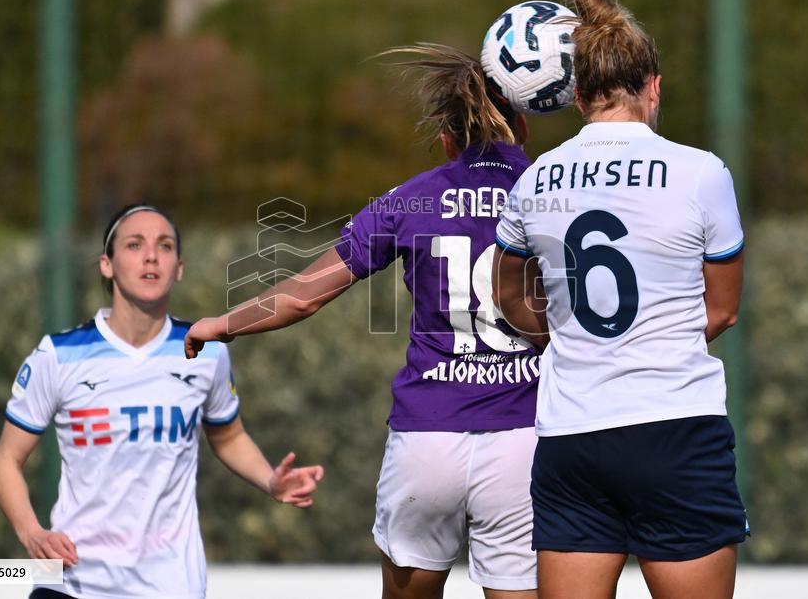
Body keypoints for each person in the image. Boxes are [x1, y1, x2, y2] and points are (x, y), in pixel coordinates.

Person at [186, 44, 542, 599]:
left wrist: (223, 322)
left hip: (428, 438)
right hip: (524, 435)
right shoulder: (554, 194)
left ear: (446, 140)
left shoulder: (412, 199)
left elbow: (303, 296)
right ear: (521, 125)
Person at [493, 0, 748, 599]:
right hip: (675, 429)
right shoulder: (702, 173)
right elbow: (723, 311)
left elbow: (507, 295)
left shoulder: (535, 180)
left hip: (572, 438)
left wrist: (568, 338)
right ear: (654, 87)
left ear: (578, 98)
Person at [0, 203, 324, 599]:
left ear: (179, 268)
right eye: (134, 244)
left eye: (164, 246)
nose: (151, 255)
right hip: (74, 583)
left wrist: (270, 480)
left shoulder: (204, 350)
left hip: (171, 585)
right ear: (106, 264)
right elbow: (6, 461)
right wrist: (33, 535)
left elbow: (229, 437)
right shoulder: (58, 355)